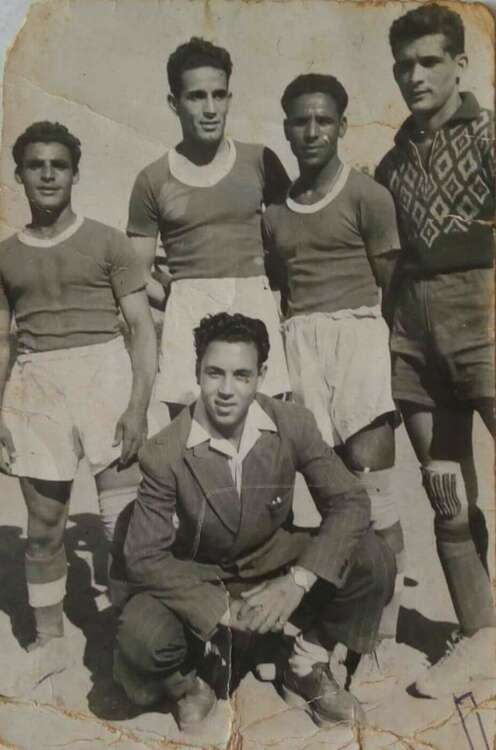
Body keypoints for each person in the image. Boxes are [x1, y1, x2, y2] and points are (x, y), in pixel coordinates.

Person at [114, 312, 396, 733]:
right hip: (204, 575)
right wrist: (220, 609)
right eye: (214, 373)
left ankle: (305, 664)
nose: (226, 390)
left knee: (372, 557)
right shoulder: (164, 451)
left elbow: (350, 501)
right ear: (197, 372)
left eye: (241, 375)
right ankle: (190, 686)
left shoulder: (292, 422)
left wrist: (297, 580)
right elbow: (143, 556)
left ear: (262, 375)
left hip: (275, 563)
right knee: (140, 639)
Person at [0, 121, 157, 695]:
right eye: (35, 165)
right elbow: (2, 343)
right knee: (44, 528)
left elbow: (141, 329)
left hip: (105, 375)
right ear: (19, 174)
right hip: (37, 385)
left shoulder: (108, 242)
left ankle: (130, 640)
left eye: (58, 165)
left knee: (125, 524)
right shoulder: (5, 255)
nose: (47, 175)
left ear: (74, 174)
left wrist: (137, 405)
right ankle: (49, 642)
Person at [262, 74, 405, 673]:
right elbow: (280, 285)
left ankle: (382, 636)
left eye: (324, 120)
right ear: (287, 129)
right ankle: (343, 613)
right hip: (302, 344)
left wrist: (378, 358)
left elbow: (393, 286)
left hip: (359, 338)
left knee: (375, 494)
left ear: (343, 125)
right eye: (301, 121)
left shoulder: (368, 196)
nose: (312, 131)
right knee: (331, 498)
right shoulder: (275, 214)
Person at [375, 4, 495, 698]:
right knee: (447, 498)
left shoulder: (489, 134)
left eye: (429, 61)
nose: (415, 76)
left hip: (485, 328)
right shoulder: (390, 163)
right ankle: (482, 637)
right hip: (417, 345)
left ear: (460, 64)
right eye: (404, 65)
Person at [127, 37, 290, 418]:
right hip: (189, 319)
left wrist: (270, 295)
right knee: (194, 442)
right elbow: (135, 274)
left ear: (230, 98)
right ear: (174, 103)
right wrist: (181, 298)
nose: (211, 109)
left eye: (219, 95)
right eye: (197, 97)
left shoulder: (260, 161)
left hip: (255, 308)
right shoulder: (153, 179)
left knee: (265, 437)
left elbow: (292, 242)